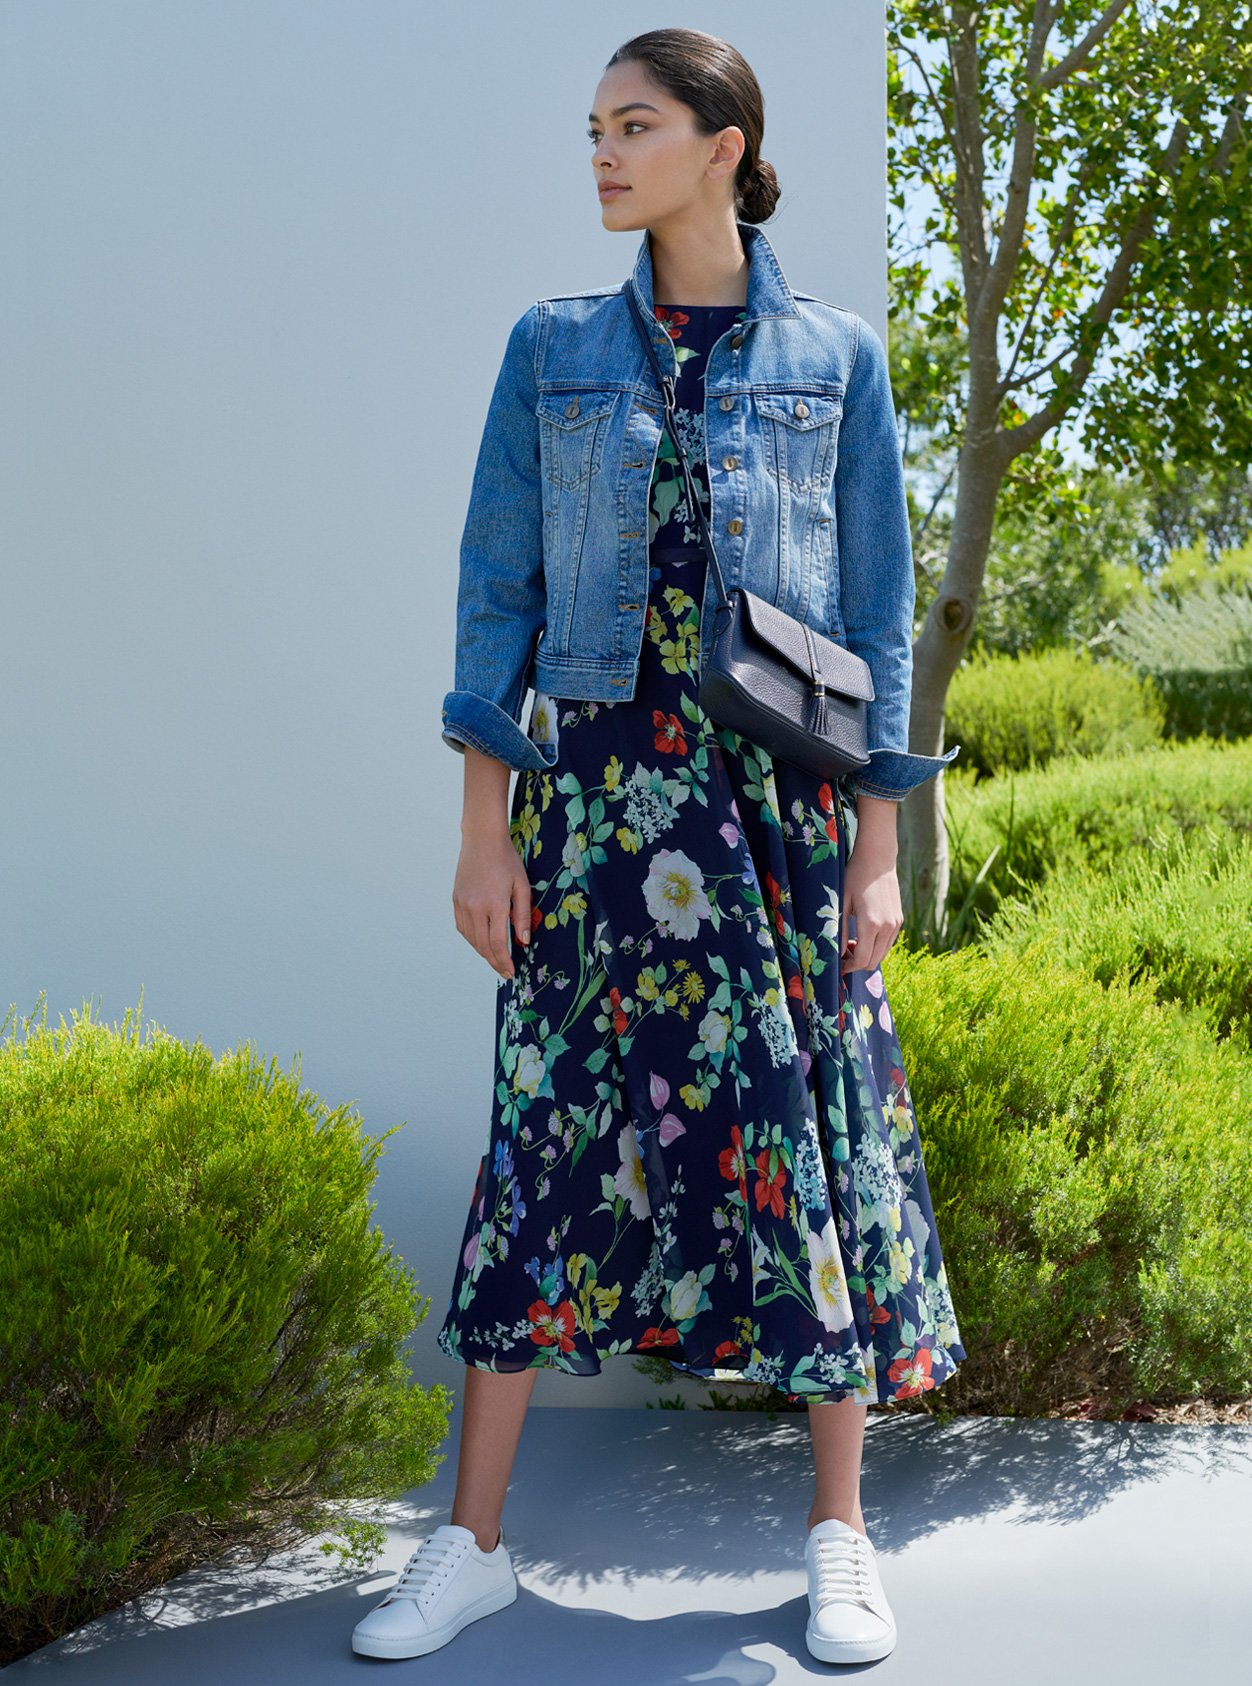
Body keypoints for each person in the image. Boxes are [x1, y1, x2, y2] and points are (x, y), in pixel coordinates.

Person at [353, 26, 966, 1670]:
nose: (605, 156)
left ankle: (838, 1535)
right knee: (546, 1142)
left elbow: (885, 614)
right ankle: (469, 1543)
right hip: (600, 814)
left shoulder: (834, 356)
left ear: (724, 144)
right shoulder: (553, 350)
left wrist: (879, 845)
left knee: (813, 1137)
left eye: (637, 126)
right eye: (595, 130)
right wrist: (486, 827)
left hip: (777, 818)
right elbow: (498, 597)